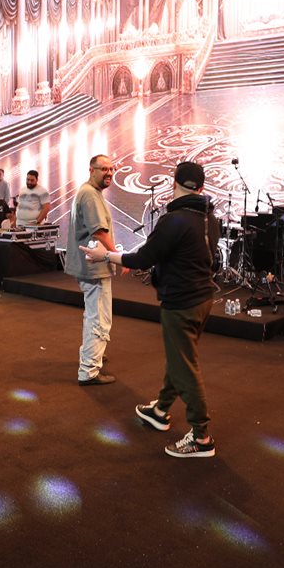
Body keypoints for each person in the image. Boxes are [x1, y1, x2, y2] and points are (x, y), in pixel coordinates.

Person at [81, 161, 221, 459]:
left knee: (185, 366)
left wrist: (105, 255)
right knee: (180, 358)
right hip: (203, 299)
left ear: (175, 183)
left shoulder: (174, 221)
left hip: (181, 303)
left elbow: (143, 259)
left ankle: (201, 437)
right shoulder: (210, 218)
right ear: (201, 187)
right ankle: (160, 410)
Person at [63, 155, 121, 385]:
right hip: (94, 268)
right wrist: (119, 257)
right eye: (104, 169)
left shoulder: (90, 192)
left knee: (93, 315)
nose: (109, 173)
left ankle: (93, 353)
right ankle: (89, 371)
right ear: (91, 170)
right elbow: (99, 231)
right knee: (99, 319)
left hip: (92, 267)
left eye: (112, 169)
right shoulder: (89, 194)